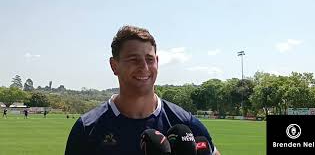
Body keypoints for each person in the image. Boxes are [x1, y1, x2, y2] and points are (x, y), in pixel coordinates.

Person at [65, 25, 221, 155]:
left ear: (157, 62)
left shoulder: (186, 124)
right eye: (134, 59)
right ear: (114, 65)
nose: (144, 67)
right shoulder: (87, 128)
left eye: (149, 59)